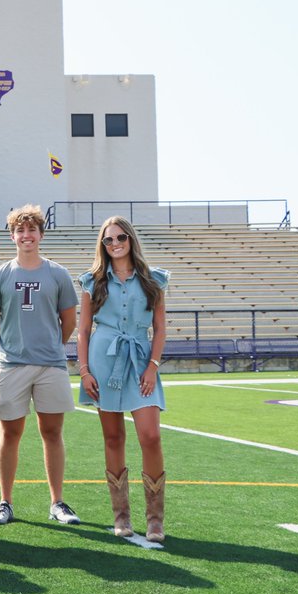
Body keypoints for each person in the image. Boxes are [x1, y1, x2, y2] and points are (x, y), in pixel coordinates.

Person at [0, 204, 80, 526]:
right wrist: (14, 346)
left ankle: (57, 502)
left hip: (50, 364)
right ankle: (5, 502)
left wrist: (49, 344)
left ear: (41, 234)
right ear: (12, 236)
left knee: (52, 432)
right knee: (11, 433)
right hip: (12, 364)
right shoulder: (0, 275)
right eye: (20, 230)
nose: (26, 235)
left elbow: (68, 322)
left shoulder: (58, 274)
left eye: (32, 230)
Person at [77, 217, 170, 542]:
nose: (114, 243)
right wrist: (85, 370)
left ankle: (155, 519)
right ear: (102, 245)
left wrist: (153, 366)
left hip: (142, 360)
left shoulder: (153, 280)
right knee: (113, 437)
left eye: (120, 237)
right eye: (108, 240)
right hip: (104, 361)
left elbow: (159, 329)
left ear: (130, 239)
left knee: (150, 436)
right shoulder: (93, 281)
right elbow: (84, 330)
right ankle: (121, 515)